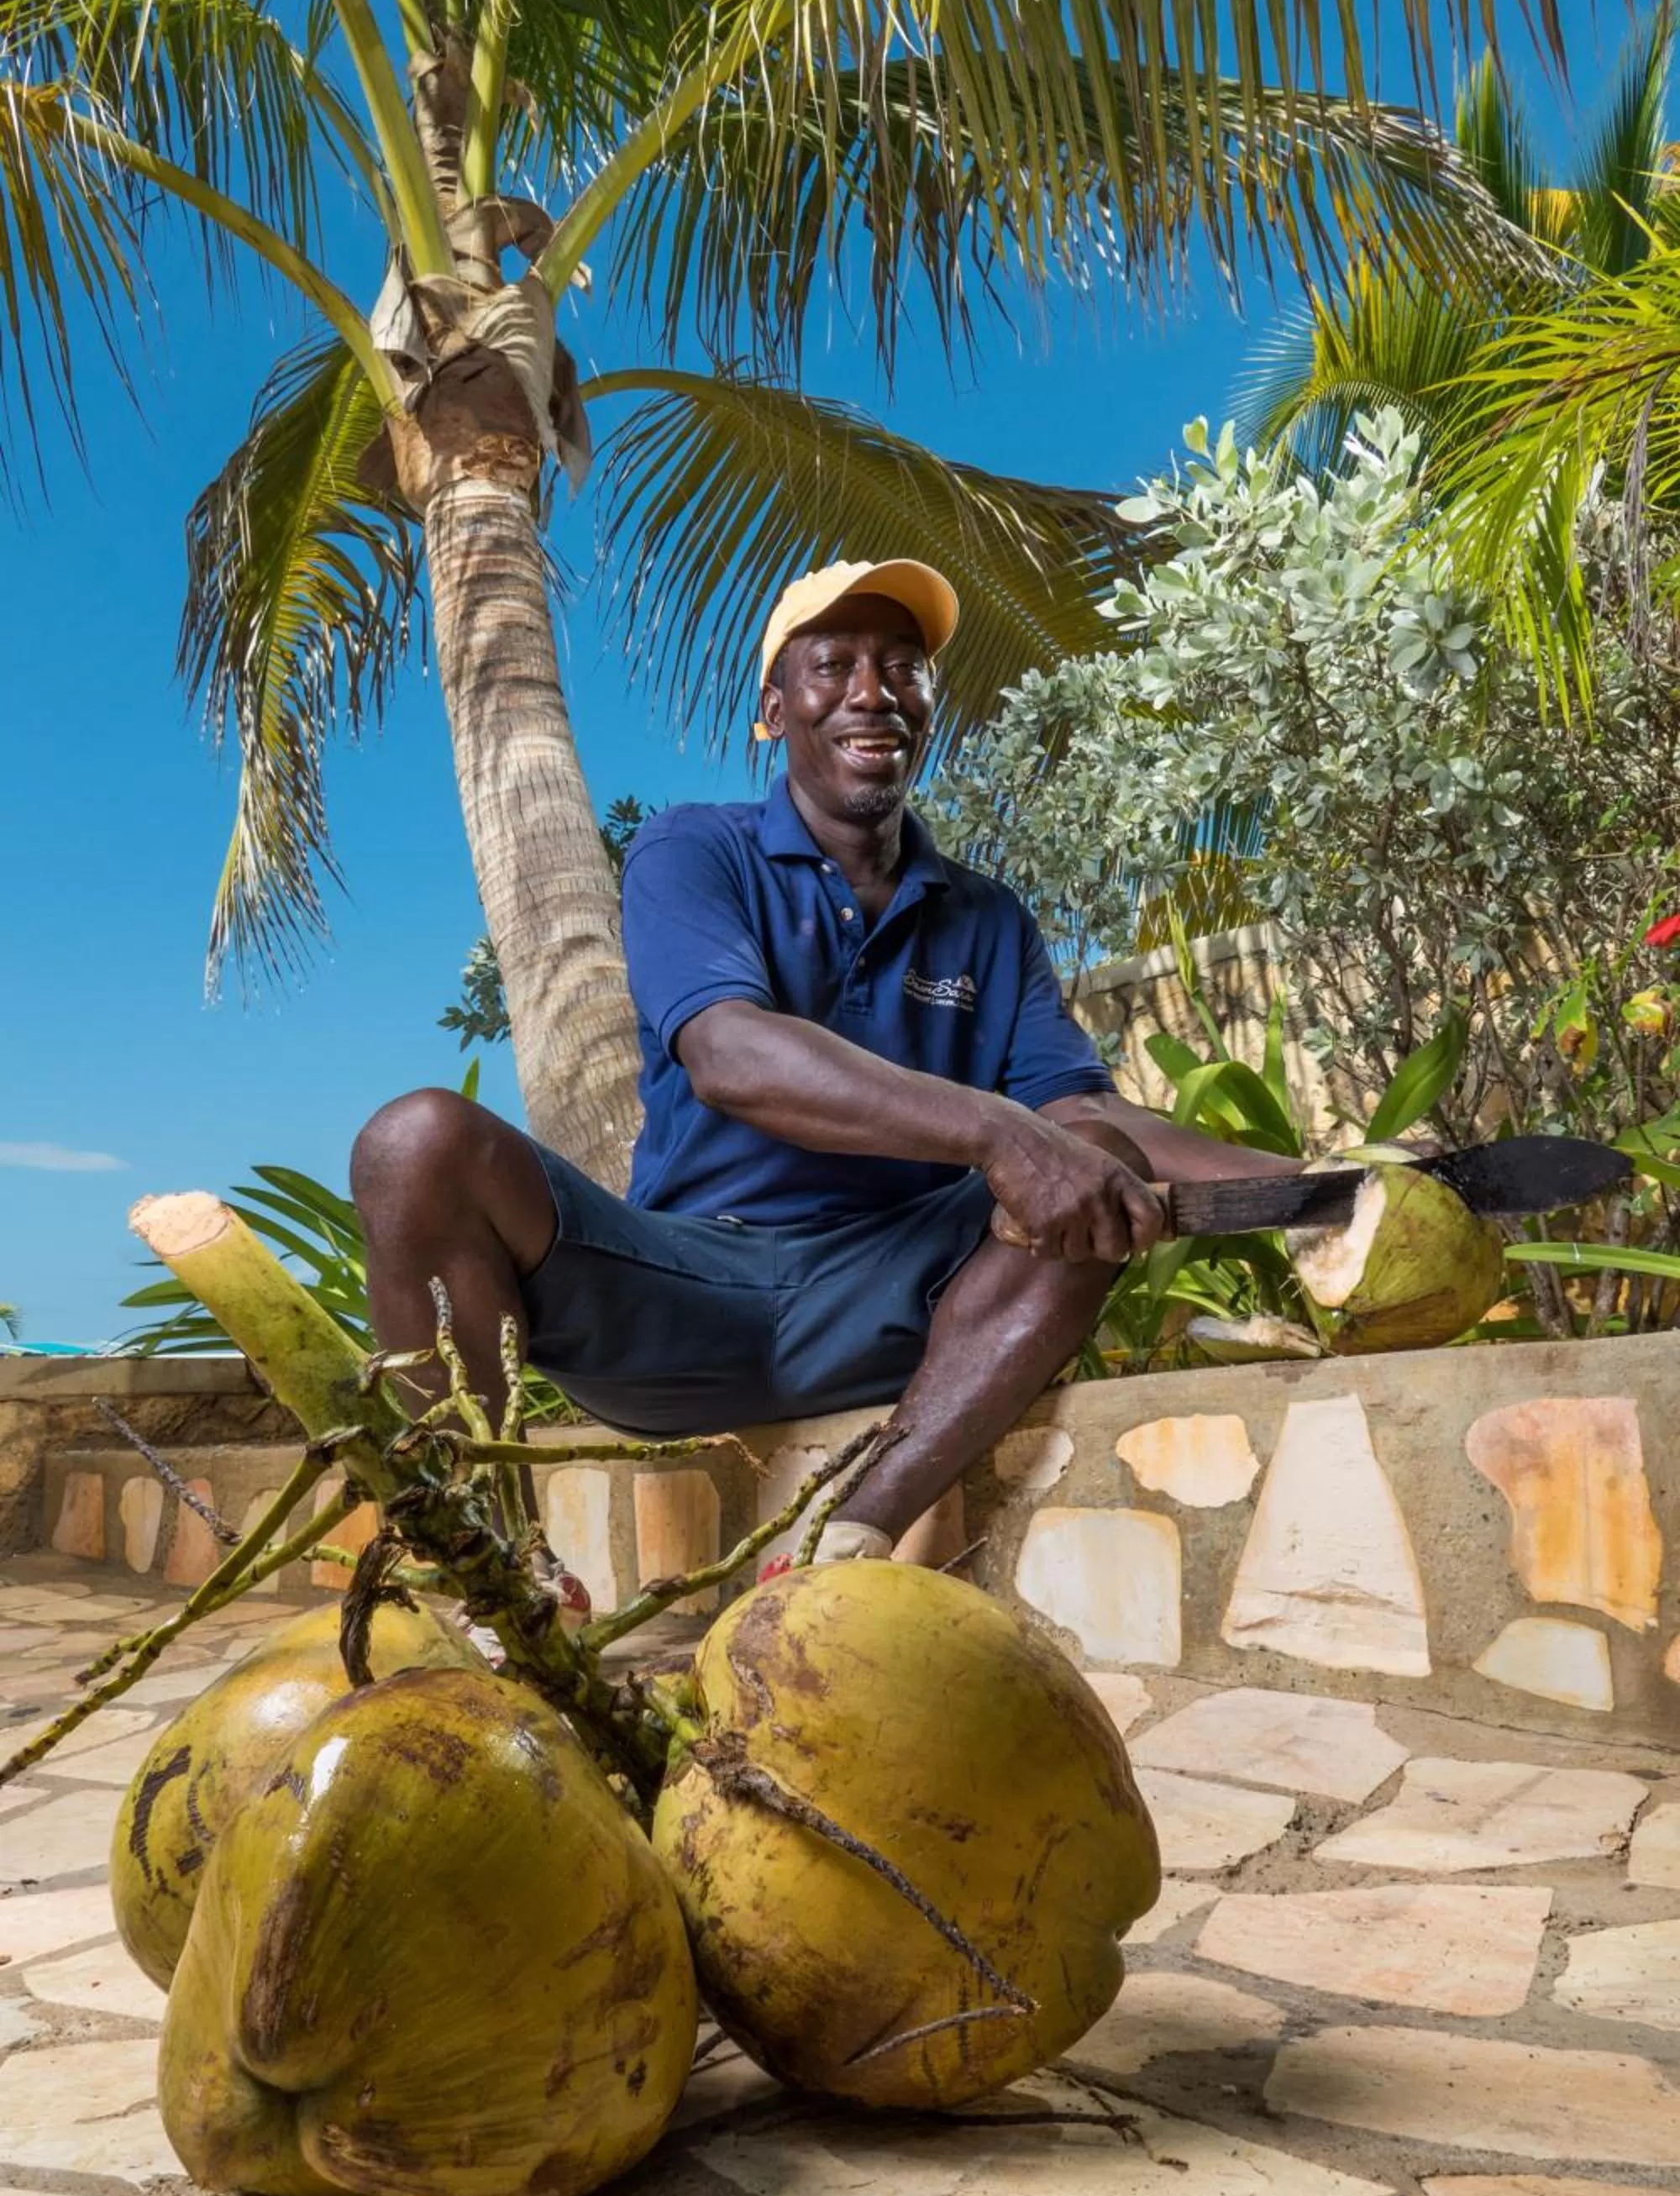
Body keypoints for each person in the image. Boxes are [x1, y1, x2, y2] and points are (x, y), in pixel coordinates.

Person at [351, 557, 1291, 1567]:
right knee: (416, 1142)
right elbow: (729, 1055)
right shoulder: (691, 851)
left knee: (1093, 1153)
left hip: (903, 1301)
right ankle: (488, 1574)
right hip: (684, 1296)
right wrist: (995, 1131)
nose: (871, 691)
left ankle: (847, 1536)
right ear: (774, 709)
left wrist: (1324, 1190)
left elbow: (1081, 1113)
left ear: (926, 706)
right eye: (831, 663)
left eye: (901, 667)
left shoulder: (986, 919)